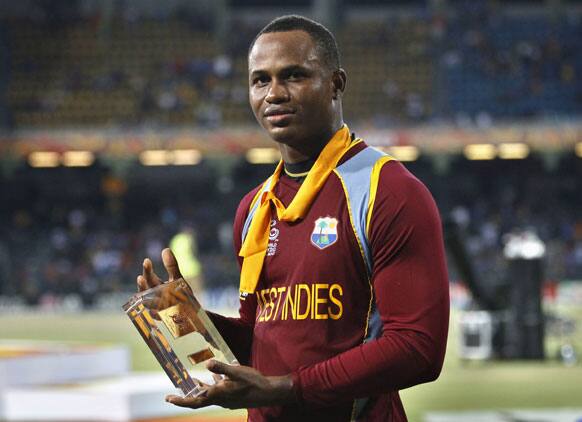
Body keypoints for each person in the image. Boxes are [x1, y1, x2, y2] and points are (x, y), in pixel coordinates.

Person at [137, 15, 449, 422]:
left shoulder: (388, 190)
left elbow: (418, 349)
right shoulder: (253, 209)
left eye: (294, 76)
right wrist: (188, 318)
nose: (274, 94)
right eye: (260, 80)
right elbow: (263, 343)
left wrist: (288, 389)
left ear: (337, 84)